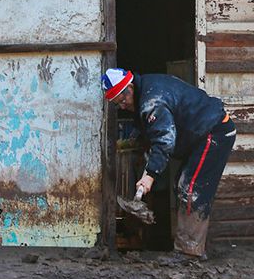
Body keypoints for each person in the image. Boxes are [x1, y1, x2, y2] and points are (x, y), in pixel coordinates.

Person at [101, 68, 236, 260]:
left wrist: (150, 175)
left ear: (130, 88)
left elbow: (164, 139)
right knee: (182, 184)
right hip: (201, 133)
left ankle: (189, 252)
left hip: (214, 132)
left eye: (122, 100)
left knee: (190, 188)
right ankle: (190, 246)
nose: (122, 106)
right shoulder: (146, 89)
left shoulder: (151, 102)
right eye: (117, 104)